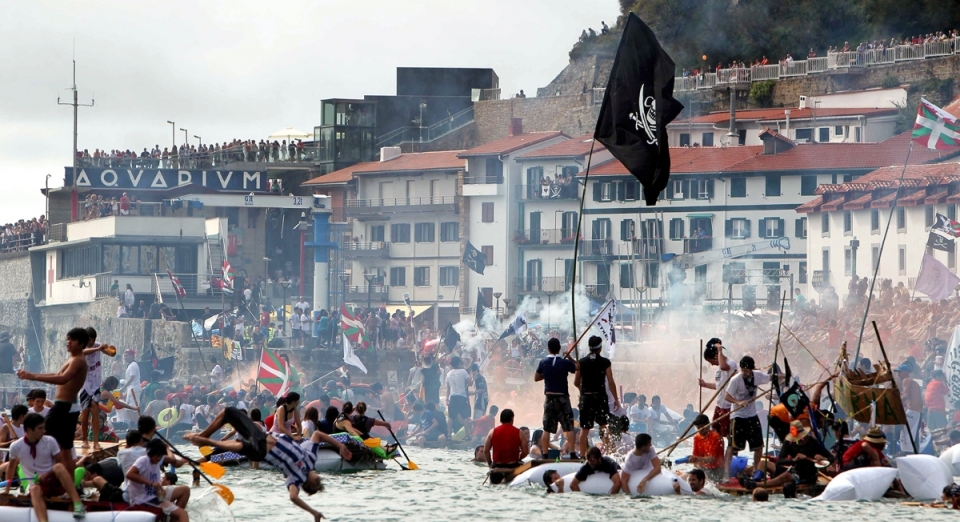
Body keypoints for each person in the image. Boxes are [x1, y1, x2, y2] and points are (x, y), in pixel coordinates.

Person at [184, 407, 352, 521]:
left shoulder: (296, 478)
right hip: (262, 437)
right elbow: (317, 435)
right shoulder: (310, 457)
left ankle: (203, 440)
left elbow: (293, 497)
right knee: (229, 412)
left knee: (240, 446)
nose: (318, 478)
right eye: (319, 480)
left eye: (317, 482)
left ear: (308, 483)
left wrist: (313, 512)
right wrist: (340, 445)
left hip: (261, 450)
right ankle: (202, 437)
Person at [17, 326, 89, 473]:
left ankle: (46, 472)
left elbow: (62, 379)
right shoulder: (73, 359)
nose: (68, 342)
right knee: (64, 448)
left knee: (42, 434)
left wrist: (34, 377)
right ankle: (67, 481)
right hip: (66, 406)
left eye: (73, 340)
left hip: (65, 406)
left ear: (81, 344)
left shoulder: (78, 361)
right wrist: (33, 374)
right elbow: (57, 374)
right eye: (68, 339)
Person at [4, 413, 87, 519]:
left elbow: (60, 463)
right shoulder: (16, 446)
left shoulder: (50, 441)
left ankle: (78, 504)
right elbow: (11, 468)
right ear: (29, 429)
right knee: (34, 490)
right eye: (40, 428)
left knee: (58, 468)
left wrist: (47, 474)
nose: (44, 431)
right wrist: (7, 489)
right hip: (37, 484)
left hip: (53, 478)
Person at [741, 420, 833, 490]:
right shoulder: (789, 442)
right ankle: (754, 480)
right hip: (793, 469)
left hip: (806, 474)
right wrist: (793, 460)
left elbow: (831, 458)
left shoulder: (813, 442)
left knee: (786, 476)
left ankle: (756, 485)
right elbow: (780, 460)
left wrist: (823, 459)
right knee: (762, 463)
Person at [723, 355, 770, 476]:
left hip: (752, 415)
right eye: (743, 370)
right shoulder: (736, 380)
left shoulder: (758, 375)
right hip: (738, 416)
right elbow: (727, 396)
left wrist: (784, 376)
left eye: (747, 370)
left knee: (758, 446)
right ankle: (726, 472)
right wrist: (738, 402)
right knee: (732, 446)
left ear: (752, 369)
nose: (744, 372)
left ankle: (755, 469)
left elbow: (771, 378)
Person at [575, 336, 619, 457]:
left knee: (585, 429)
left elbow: (576, 382)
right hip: (600, 398)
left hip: (586, 398)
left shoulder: (581, 362)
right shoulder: (605, 362)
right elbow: (610, 382)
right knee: (604, 426)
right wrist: (616, 399)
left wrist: (583, 392)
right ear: (600, 348)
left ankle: (583, 457)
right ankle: (610, 455)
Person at [126, 438, 190, 522]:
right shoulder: (143, 460)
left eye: (161, 456)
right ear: (151, 452)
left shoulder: (156, 463)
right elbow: (129, 474)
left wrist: (160, 491)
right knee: (182, 514)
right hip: (143, 499)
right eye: (158, 456)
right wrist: (151, 483)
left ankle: (173, 518)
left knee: (185, 493)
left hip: (154, 497)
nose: (159, 458)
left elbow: (157, 488)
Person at [535, 338, 578, 458]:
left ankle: (544, 454)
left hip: (549, 397)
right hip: (562, 397)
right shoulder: (564, 362)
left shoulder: (543, 362)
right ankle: (573, 453)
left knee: (547, 428)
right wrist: (570, 358)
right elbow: (577, 367)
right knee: (569, 427)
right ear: (559, 349)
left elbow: (536, 377)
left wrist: (549, 375)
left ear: (548, 348)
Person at [79, 327, 109, 451]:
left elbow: (111, 353)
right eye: (90, 340)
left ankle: (96, 442)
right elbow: (85, 352)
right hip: (84, 383)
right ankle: (85, 439)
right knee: (85, 412)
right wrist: (98, 348)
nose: (92, 342)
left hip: (96, 383)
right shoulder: (81, 347)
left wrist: (107, 347)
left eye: (93, 340)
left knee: (95, 409)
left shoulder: (98, 345)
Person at [482, 409, 529, 480]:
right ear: (512, 418)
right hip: (513, 466)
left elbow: (486, 451)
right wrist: (519, 459)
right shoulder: (520, 433)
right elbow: (525, 452)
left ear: (501, 419)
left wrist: (490, 464)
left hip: (497, 467)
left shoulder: (492, 432)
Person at [895, 363, 923, 454]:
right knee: (914, 434)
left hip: (913, 411)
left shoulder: (906, 380)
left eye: (900, 372)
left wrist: (894, 403)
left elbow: (905, 396)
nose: (898, 374)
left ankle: (907, 452)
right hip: (916, 412)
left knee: (906, 433)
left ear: (905, 372)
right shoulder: (913, 382)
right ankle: (914, 452)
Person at [690, 414, 725, 483]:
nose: (700, 431)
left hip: (716, 470)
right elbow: (695, 460)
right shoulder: (697, 438)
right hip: (702, 469)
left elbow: (712, 460)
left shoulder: (716, 437)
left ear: (708, 425)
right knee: (686, 477)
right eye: (698, 428)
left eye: (702, 428)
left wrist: (696, 459)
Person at [445, 356, 472, 434]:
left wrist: (447, 399)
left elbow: (448, 389)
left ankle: (449, 435)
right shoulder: (463, 371)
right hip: (462, 397)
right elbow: (470, 383)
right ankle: (467, 435)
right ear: (459, 363)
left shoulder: (449, 373)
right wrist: (471, 377)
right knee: (466, 416)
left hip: (452, 397)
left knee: (451, 417)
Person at [0, 331, 16, 408]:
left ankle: (0, 407)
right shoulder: (10, 345)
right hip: (8, 371)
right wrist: (20, 351)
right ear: (7, 338)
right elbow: (16, 357)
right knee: (10, 389)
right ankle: (9, 405)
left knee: (0, 390)